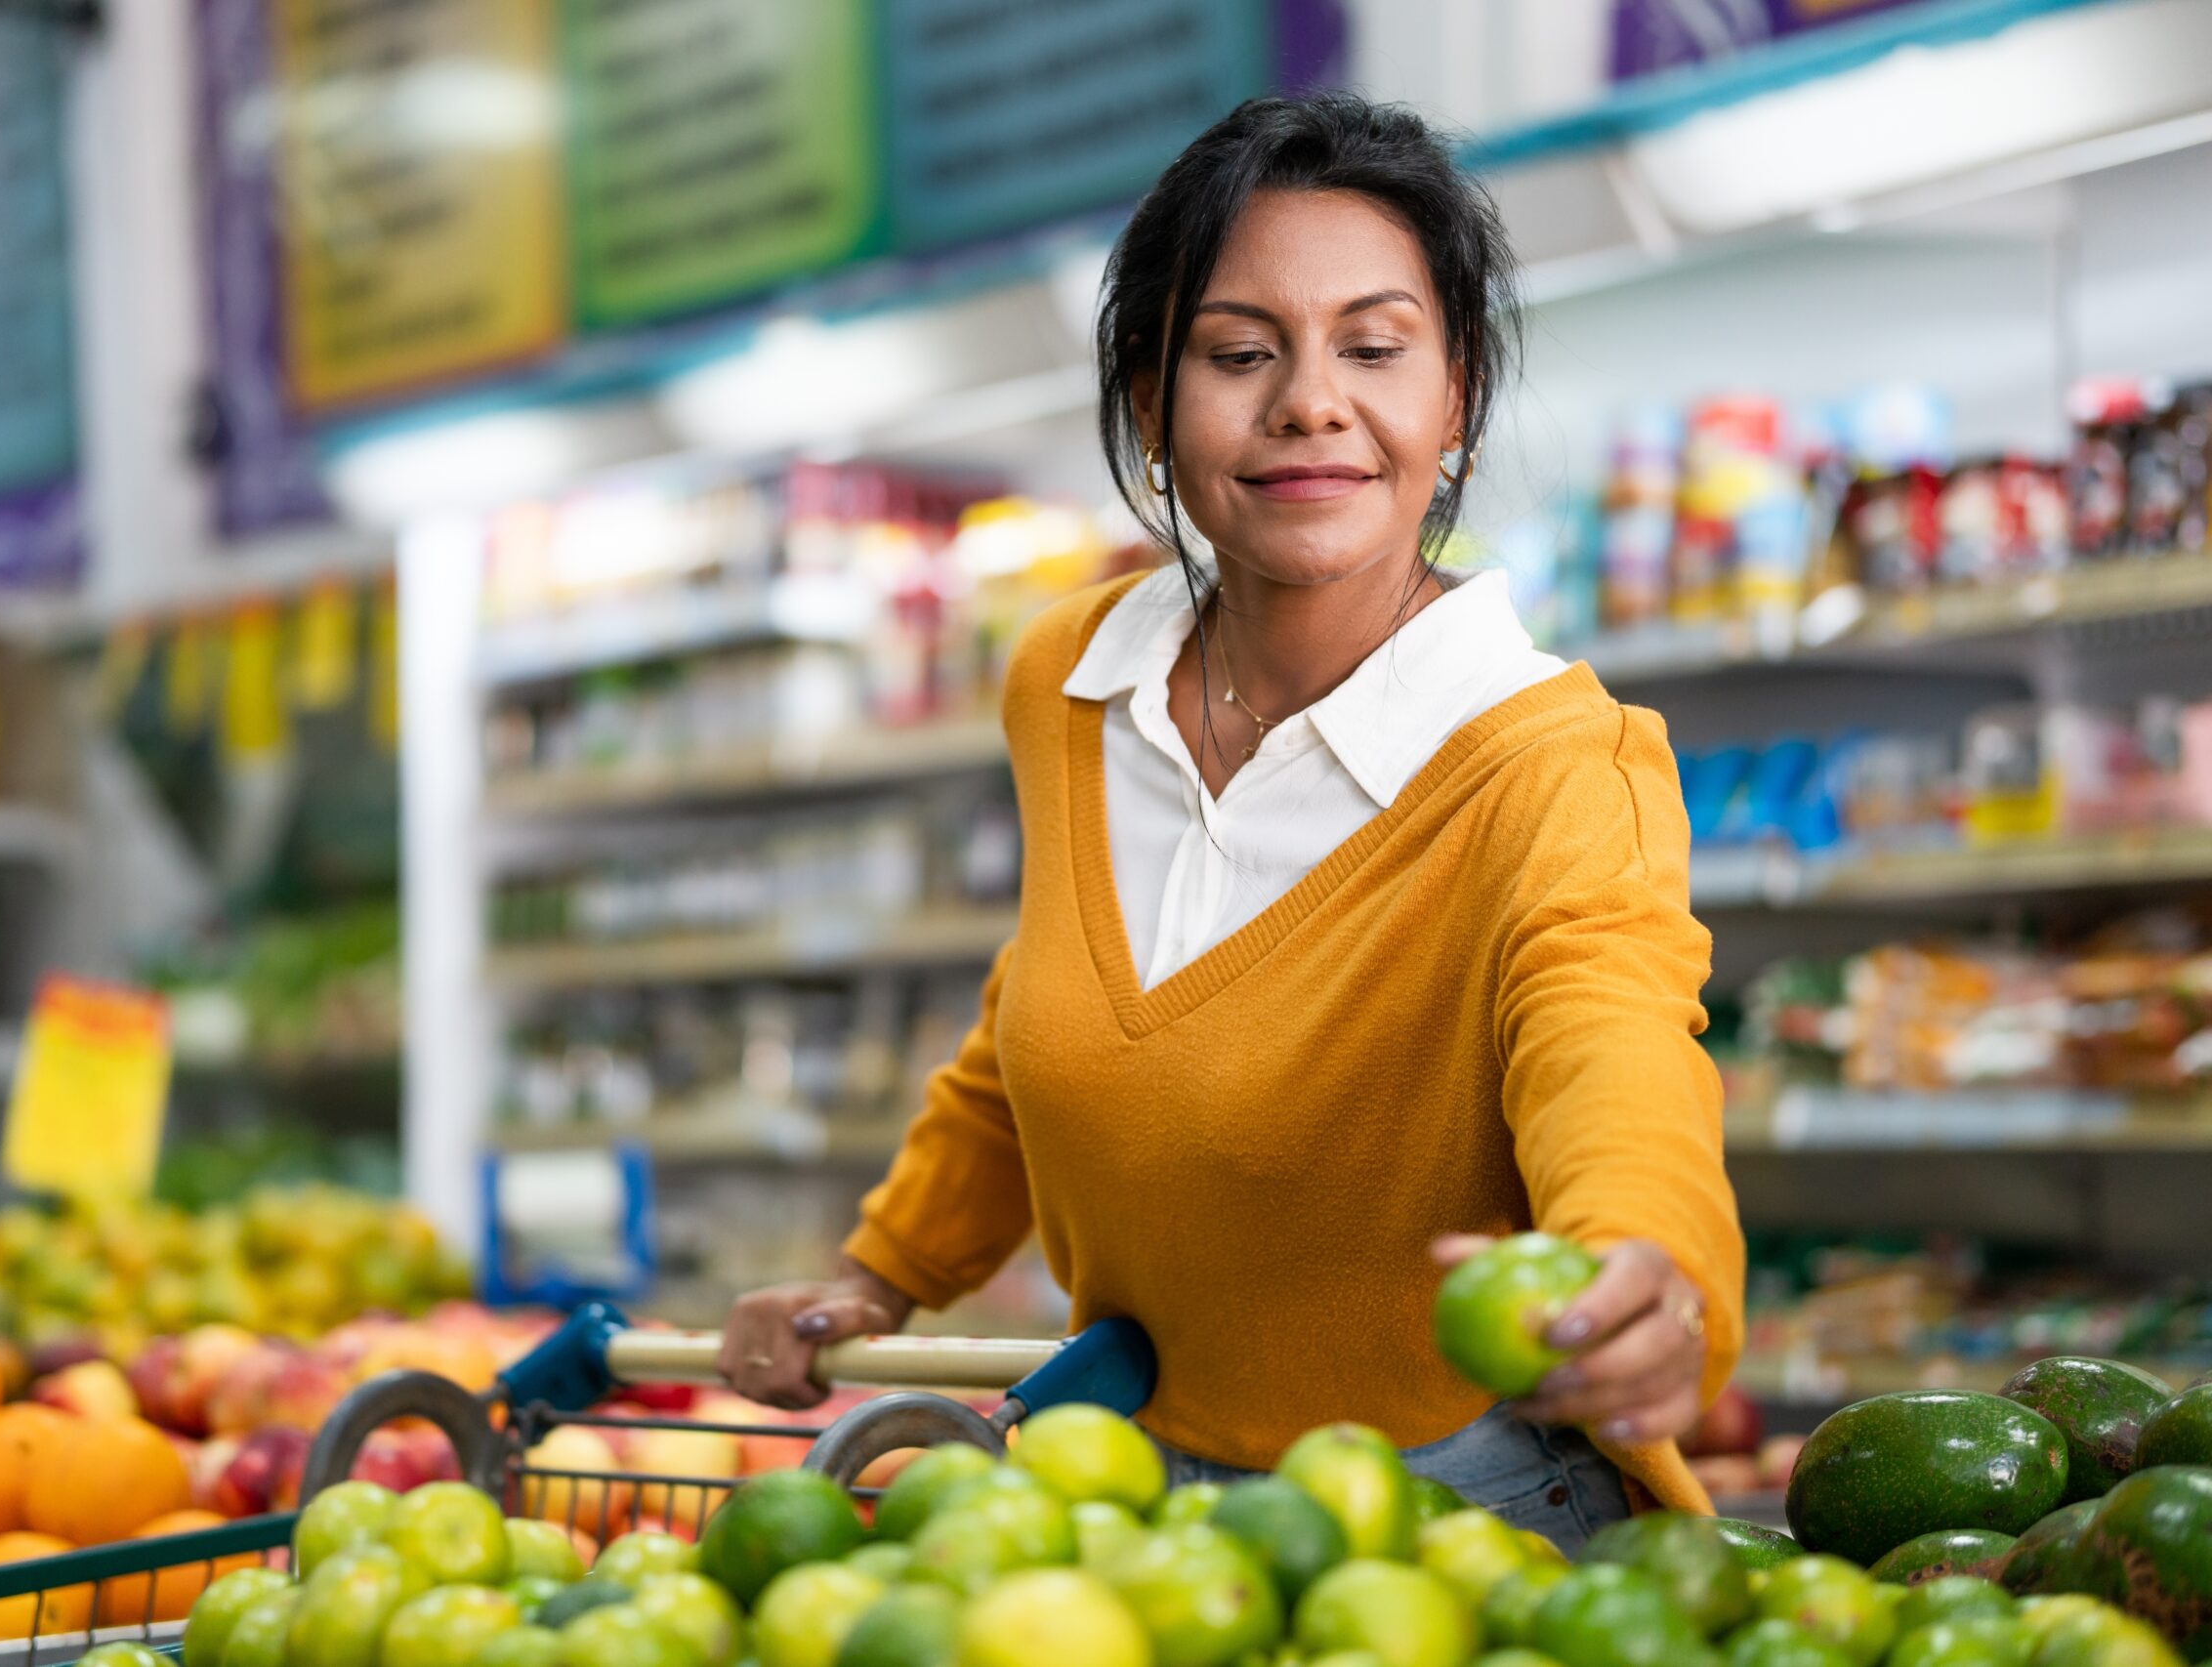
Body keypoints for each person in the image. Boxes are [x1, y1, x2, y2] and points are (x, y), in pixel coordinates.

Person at [719, 92, 1743, 1548]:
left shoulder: (1553, 760)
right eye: (1239, 354)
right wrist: (877, 1279)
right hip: (1124, 1493)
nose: (1309, 404)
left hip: (1462, 1514)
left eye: (1376, 350)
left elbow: (1615, 1043)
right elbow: (1042, 1042)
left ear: (1454, 404)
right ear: (1151, 402)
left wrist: (1644, 1261)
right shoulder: (1068, 686)